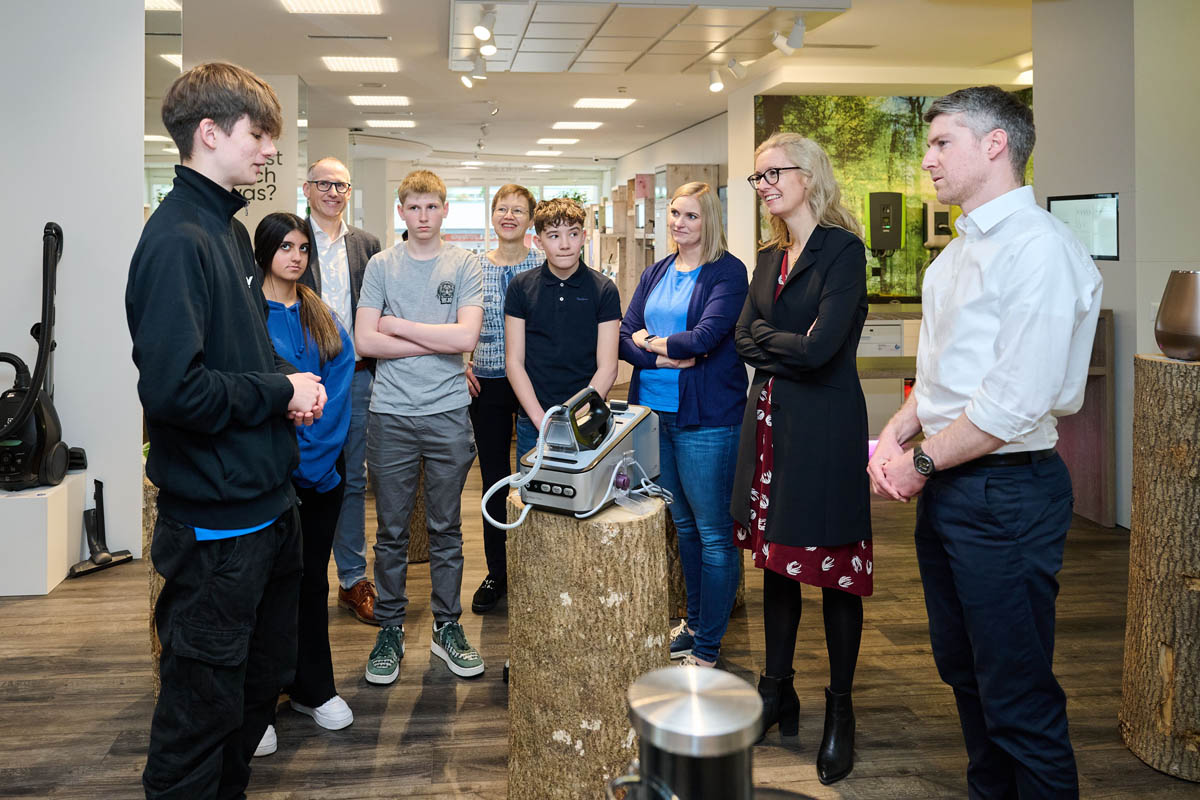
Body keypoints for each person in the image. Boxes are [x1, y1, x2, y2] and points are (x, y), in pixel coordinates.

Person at [868, 86, 1102, 799]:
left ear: (994, 145)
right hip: (957, 489)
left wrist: (922, 461)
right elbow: (945, 382)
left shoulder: (1039, 251)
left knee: (1017, 693)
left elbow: (1012, 403)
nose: (928, 158)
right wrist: (896, 430)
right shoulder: (959, 253)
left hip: (1006, 491)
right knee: (965, 672)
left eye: (942, 143)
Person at [126, 62, 325, 799]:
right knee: (198, 717)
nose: (270, 150)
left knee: (253, 692)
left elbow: (235, 356)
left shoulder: (225, 227)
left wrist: (286, 391)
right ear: (209, 134)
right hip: (216, 529)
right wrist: (277, 391)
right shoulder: (177, 239)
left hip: (269, 508)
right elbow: (176, 390)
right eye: (259, 134)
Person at [732, 132, 870, 785]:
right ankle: (776, 689)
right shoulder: (768, 257)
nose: (763, 186)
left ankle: (840, 711)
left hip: (826, 430)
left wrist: (770, 340)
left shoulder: (843, 251)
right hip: (770, 426)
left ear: (808, 175)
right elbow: (742, 338)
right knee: (778, 565)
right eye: (757, 178)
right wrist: (778, 341)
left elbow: (821, 352)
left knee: (835, 571)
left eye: (772, 174)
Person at [354, 169, 485, 684]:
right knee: (389, 531)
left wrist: (399, 326)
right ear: (401, 212)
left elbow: (467, 337)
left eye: (432, 207)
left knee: (446, 528)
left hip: (448, 411)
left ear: (445, 210)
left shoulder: (465, 262)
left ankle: (446, 626)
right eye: (414, 208)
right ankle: (390, 628)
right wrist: (439, 338)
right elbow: (366, 342)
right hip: (391, 414)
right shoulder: (382, 266)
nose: (423, 217)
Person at [618, 182, 748, 668]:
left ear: (708, 220)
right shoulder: (656, 271)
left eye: (690, 216)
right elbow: (624, 335)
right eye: (674, 212)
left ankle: (709, 646)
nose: (679, 223)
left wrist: (656, 344)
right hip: (653, 416)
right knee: (684, 528)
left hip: (707, 420)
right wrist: (663, 356)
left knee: (715, 534)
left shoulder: (727, 272)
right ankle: (692, 624)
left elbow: (707, 336)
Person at [254, 212, 356, 755]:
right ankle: (258, 703)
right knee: (266, 588)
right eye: (284, 247)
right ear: (264, 251)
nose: (295, 256)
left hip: (322, 475)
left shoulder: (321, 312)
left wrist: (317, 457)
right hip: (270, 477)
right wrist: (291, 454)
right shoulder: (247, 313)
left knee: (312, 582)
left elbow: (338, 384)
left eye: (302, 248)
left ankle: (311, 687)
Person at [299, 157, 383, 626]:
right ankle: (299, 573)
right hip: (301, 378)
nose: (333, 191)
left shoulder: (366, 245)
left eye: (342, 185)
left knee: (352, 478)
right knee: (302, 473)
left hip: (355, 376)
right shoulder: (293, 238)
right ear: (308, 188)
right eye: (324, 184)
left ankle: (352, 580)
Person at [465, 184, 542, 614]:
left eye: (518, 210)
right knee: (495, 478)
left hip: (533, 383)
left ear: (531, 219)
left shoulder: (545, 263)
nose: (509, 216)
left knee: (535, 477)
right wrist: (461, 361)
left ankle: (534, 567)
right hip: (487, 384)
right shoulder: (473, 265)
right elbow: (456, 318)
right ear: (491, 215)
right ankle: (498, 571)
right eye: (501, 209)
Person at [504, 197, 621, 458]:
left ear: (584, 237)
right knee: (533, 496)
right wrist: (540, 420)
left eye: (573, 234)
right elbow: (514, 362)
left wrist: (576, 418)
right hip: (533, 421)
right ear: (538, 241)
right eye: (554, 235)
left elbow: (608, 366)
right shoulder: (521, 287)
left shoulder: (604, 289)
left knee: (588, 496)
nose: (565, 244)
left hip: (588, 419)